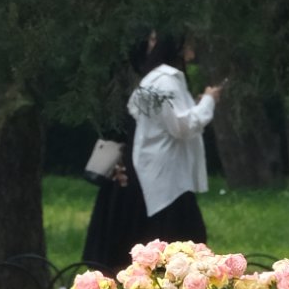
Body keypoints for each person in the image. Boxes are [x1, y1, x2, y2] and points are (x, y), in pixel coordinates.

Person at [81, 29, 224, 274]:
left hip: (156, 171)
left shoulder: (155, 80)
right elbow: (181, 125)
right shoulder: (165, 80)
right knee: (180, 237)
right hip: (165, 175)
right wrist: (208, 101)